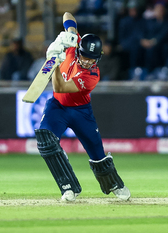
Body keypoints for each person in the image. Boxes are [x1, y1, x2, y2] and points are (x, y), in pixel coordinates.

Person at [36, 12, 130, 202]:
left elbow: (60, 86)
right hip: (58, 107)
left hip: (81, 112)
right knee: (46, 140)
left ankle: (114, 184)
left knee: (97, 155)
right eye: (85, 56)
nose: (87, 61)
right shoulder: (74, 44)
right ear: (79, 50)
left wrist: (54, 59)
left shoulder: (92, 76)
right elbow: (67, 15)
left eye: (92, 59)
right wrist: (69, 32)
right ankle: (68, 187)